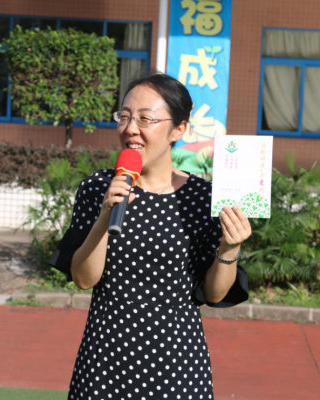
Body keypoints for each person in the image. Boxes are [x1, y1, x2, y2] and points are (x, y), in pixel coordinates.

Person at [50, 73, 251, 399]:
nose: (131, 129)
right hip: (104, 363)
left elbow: (215, 294)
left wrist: (230, 246)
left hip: (176, 366)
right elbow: (84, 279)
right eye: (125, 117)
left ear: (179, 129)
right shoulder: (98, 188)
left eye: (145, 119)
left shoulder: (204, 199)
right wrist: (104, 218)